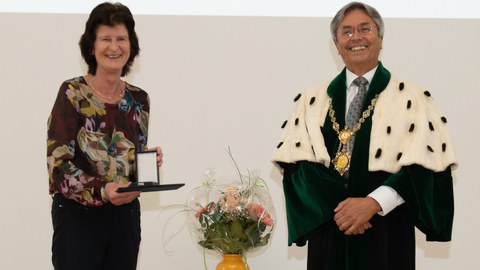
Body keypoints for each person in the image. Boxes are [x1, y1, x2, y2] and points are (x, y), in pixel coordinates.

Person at [273, 2, 457, 270]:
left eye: (365, 29)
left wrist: (373, 203)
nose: (356, 37)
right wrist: (345, 210)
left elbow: (424, 168)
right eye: (346, 32)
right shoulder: (312, 99)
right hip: (330, 222)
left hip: (387, 223)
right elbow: (297, 166)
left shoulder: (413, 97)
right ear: (336, 44)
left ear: (380, 39)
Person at [47, 2, 163, 270]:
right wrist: (102, 190)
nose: (114, 47)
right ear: (91, 46)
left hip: (125, 219)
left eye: (121, 38)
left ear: (131, 46)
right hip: (78, 219)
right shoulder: (72, 93)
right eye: (105, 39)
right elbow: (58, 168)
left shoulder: (139, 99)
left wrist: (146, 166)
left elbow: (128, 165)